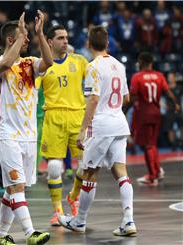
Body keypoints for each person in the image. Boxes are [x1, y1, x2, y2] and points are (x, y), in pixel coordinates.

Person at [58, 25, 137, 237]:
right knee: (121, 173)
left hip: (101, 125)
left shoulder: (92, 67)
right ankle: (128, 220)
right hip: (119, 123)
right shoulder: (119, 65)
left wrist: (82, 129)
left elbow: (93, 99)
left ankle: (79, 221)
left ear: (88, 44)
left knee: (90, 173)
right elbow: (127, 98)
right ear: (108, 43)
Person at [0, 11, 52, 245]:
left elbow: (49, 62)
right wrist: (21, 36)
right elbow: (6, 63)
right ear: (10, 40)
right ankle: (30, 233)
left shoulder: (29, 64)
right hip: (6, 134)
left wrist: (39, 34)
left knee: (14, 188)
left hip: (28, 135)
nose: (27, 41)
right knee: (16, 186)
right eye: (22, 37)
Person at [39, 25, 88, 225]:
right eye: (60, 38)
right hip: (53, 117)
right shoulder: (42, 65)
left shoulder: (79, 61)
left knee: (86, 165)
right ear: (50, 42)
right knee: (53, 167)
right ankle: (57, 210)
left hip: (78, 116)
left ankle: (73, 196)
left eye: (66, 37)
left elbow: (97, 80)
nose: (65, 41)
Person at [131, 52, 180, 186]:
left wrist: (123, 111)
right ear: (151, 62)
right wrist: (175, 103)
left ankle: (152, 176)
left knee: (147, 145)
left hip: (143, 115)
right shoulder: (159, 76)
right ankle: (157, 171)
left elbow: (133, 96)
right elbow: (168, 92)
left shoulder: (137, 77)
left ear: (141, 62)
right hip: (156, 114)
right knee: (152, 144)